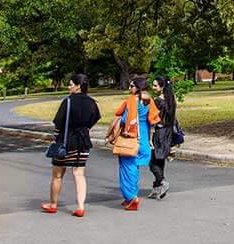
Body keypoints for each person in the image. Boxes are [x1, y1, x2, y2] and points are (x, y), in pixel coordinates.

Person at [41, 74, 101, 217]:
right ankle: (80, 206)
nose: (69, 87)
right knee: (79, 174)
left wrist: (55, 138)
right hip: (83, 142)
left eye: (70, 84)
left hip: (66, 142)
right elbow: (94, 119)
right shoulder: (92, 102)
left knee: (57, 175)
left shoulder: (67, 102)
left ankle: (53, 204)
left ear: (78, 86)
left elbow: (58, 124)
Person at [114, 77, 160, 210]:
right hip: (144, 141)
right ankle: (130, 196)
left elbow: (124, 120)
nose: (129, 89)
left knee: (126, 169)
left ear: (138, 87)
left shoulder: (131, 101)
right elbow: (153, 120)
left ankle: (131, 197)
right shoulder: (149, 101)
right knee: (134, 169)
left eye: (132, 86)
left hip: (131, 140)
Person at [148, 76, 177, 199]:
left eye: (155, 85)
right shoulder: (171, 100)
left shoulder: (157, 101)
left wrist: (150, 137)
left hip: (159, 133)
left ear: (162, 86)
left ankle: (162, 181)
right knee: (160, 161)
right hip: (168, 132)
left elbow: (153, 119)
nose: (153, 87)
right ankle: (157, 187)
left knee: (152, 162)